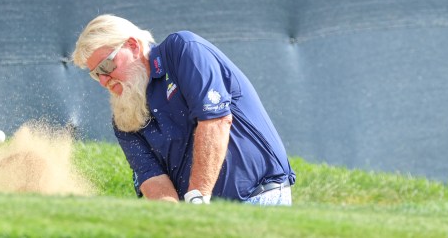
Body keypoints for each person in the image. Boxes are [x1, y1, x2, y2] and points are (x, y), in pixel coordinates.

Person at [72, 14, 295, 205]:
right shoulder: (124, 115)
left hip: (258, 198)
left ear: (133, 45)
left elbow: (215, 121)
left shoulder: (181, 49)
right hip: (203, 216)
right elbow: (154, 181)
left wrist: (197, 200)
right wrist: (181, 221)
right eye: (95, 74)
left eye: (106, 66)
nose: (103, 81)